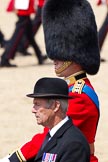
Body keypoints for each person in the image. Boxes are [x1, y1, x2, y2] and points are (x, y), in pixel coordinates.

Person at [0, 0, 100, 162]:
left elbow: (50, 136)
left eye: (59, 55)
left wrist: (13, 159)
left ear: (73, 56)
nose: (54, 59)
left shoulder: (79, 95)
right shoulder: (73, 87)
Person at [0, 0, 47, 67]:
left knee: (29, 35)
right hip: (23, 7)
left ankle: (39, 56)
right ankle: (5, 57)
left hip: (24, 6)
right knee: (18, 35)